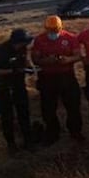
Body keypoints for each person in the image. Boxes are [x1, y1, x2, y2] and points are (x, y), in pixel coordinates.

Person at [31, 15, 84, 144]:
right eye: (50, 31)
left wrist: (68, 60)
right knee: (48, 108)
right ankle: (53, 132)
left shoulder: (70, 38)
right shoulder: (39, 40)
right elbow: (35, 59)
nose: (53, 33)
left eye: (55, 31)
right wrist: (46, 61)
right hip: (47, 77)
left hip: (66, 75)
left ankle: (75, 131)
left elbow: (78, 55)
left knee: (73, 106)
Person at [0, 29, 34, 153]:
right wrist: (12, 71)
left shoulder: (23, 49)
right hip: (3, 87)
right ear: (17, 42)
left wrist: (30, 67)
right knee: (7, 117)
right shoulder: (1, 51)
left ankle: (28, 141)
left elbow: (26, 63)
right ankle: (11, 144)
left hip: (19, 86)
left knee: (24, 114)